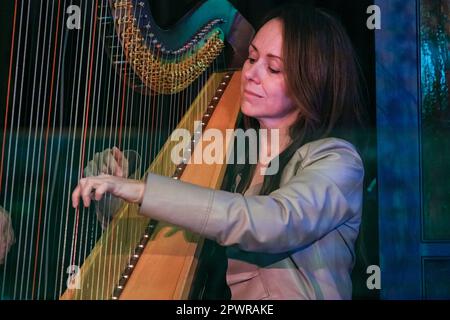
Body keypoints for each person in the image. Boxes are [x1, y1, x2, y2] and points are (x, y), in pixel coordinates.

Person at [72, 3, 367, 300]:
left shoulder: (338, 163)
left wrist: (141, 189)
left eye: (274, 67)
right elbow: (182, 225)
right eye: (251, 58)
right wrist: (114, 193)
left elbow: (273, 221)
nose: (251, 73)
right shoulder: (235, 155)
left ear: (313, 80)